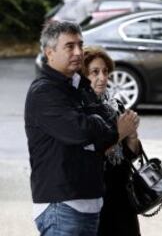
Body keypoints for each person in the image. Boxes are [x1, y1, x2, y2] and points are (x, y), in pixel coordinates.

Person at [24, 21, 137, 236]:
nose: (78, 52)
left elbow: (102, 129)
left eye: (80, 44)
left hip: (90, 204)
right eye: (69, 46)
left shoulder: (80, 87)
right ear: (50, 52)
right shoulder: (44, 91)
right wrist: (111, 129)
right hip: (63, 206)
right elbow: (81, 132)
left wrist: (99, 126)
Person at [80, 46, 141, 236]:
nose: (103, 77)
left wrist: (132, 136)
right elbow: (89, 155)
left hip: (122, 196)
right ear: (82, 76)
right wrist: (120, 134)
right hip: (96, 197)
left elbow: (131, 155)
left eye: (105, 71)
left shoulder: (116, 105)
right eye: (95, 72)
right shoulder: (79, 110)